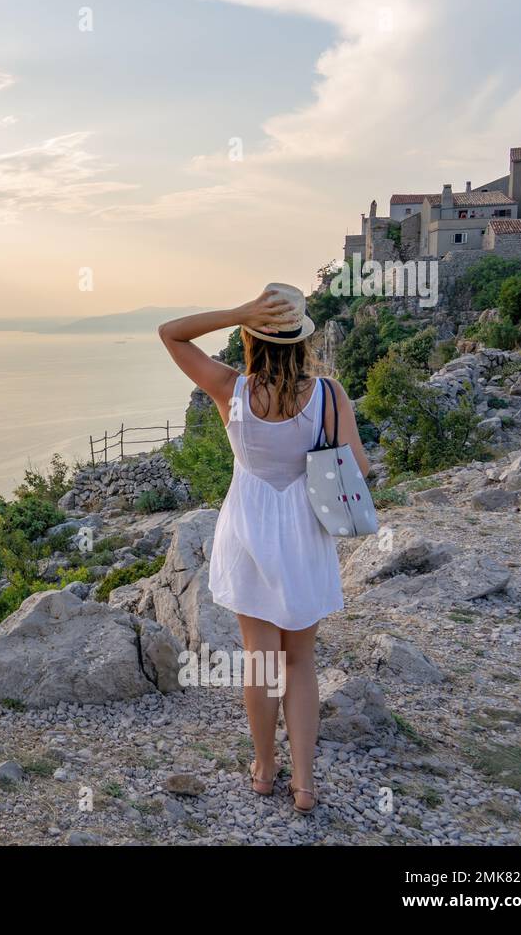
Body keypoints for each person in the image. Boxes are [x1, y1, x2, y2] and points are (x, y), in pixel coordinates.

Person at [157, 288, 370, 814]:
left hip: (248, 531)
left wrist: (237, 314)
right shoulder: (327, 394)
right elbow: (359, 470)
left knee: (260, 662)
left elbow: (170, 333)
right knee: (299, 661)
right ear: (302, 340)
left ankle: (263, 769)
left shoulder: (231, 389)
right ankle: (304, 785)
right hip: (304, 534)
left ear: (252, 337)